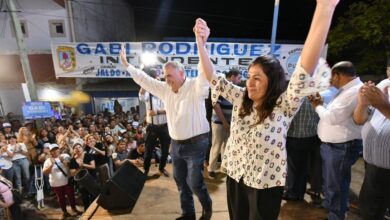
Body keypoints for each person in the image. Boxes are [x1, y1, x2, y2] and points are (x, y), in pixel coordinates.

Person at [193, 0, 339, 218]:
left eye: (257, 78)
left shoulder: (285, 104)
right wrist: (201, 43)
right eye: (249, 76)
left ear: (272, 81)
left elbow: (305, 65)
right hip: (235, 175)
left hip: (265, 184)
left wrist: (324, 8)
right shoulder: (242, 98)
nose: (250, 83)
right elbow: (213, 77)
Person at [120, 46, 212, 220]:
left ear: (182, 73)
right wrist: (127, 65)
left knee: (194, 182)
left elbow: (205, 71)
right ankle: (188, 214)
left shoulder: (196, 87)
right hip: (176, 145)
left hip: (196, 143)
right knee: (180, 182)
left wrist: (201, 44)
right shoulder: (164, 89)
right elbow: (144, 80)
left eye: (169, 75)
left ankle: (207, 206)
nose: (166, 79)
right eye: (164, 75)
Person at [309, 61, 363, 220]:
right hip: (333, 146)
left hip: (340, 146)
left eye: (330, 77)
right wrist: (322, 102)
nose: (330, 81)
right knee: (332, 181)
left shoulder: (353, 91)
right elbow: (335, 110)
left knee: (337, 184)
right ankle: (331, 206)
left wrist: (317, 105)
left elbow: (332, 117)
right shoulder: (344, 90)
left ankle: (336, 215)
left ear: (337, 75)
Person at [353, 70, 390, 220]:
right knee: (369, 212)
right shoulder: (384, 86)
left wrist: (382, 105)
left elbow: (383, 108)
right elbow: (359, 120)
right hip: (372, 168)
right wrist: (362, 104)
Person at [208, 69, 241, 178]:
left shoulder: (234, 90)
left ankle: (224, 167)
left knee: (226, 146)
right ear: (232, 76)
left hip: (229, 123)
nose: (239, 80)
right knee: (216, 145)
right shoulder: (220, 86)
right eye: (238, 77)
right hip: (219, 122)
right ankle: (211, 169)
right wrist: (225, 122)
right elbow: (216, 106)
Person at [138, 68, 171, 177]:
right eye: (155, 77)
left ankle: (161, 168)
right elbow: (142, 97)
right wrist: (144, 82)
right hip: (151, 127)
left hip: (164, 126)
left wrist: (157, 112)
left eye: (158, 77)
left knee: (165, 150)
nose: (158, 79)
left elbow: (171, 108)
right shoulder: (148, 91)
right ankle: (145, 170)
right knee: (148, 151)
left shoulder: (166, 90)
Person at [42, 144, 82, 218]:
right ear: (50, 152)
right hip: (56, 184)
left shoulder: (65, 156)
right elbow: (44, 172)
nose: (55, 151)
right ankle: (65, 212)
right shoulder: (48, 160)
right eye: (53, 150)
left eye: (56, 149)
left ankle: (74, 209)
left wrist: (63, 161)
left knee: (71, 196)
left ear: (59, 149)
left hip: (67, 181)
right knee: (61, 198)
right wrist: (51, 165)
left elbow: (72, 165)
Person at [69, 143, 96, 211]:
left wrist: (83, 165)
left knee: (93, 196)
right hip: (81, 182)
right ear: (73, 150)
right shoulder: (72, 160)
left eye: (79, 147)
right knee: (85, 198)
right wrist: (79, 168)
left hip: (91, 179)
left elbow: (93, 166)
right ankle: (87, 212)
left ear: (82, 148)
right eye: (76, 148)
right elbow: (72, 174)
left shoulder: (88, 155)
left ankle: (95, 211)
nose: (78, 149)